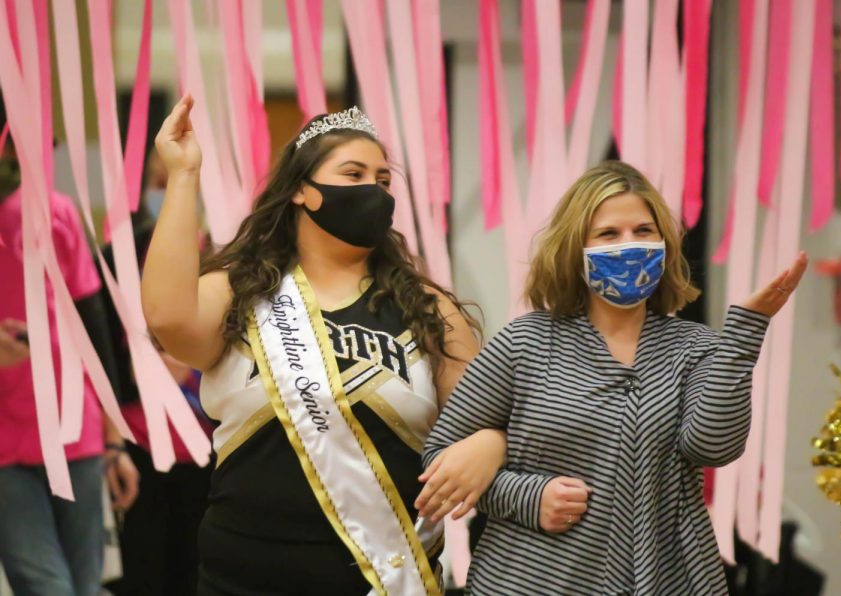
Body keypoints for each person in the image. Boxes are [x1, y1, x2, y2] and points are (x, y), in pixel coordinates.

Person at [141, 95, 506, 595]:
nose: (373, 191)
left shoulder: (429, 308)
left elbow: (484, 421)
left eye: (382, 181)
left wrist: (492, 442)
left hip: (384, 577)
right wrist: (183, 176)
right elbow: (167, 319)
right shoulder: (238, 289)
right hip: (243, 578)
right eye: (353, 175)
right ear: (300, 192)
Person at [418, 160, 808, 595]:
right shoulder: (525, 343)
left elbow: (713, 447)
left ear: (664, 244)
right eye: (608, 234)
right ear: (575, 249)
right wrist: (529, 497)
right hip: (531, 581)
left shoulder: (695, 347)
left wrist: (744, 332)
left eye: (643, 231)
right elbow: (439, 458)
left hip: (670, 580)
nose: (629, 246)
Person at [0, 138, 139, 596]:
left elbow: (92, 323)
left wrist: (115, 441)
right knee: (46, 585)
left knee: (84, 585)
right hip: (5, 448)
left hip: (73, 430)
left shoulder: (52, 211)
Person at [101, 149, 214, 596]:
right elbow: (100, 353)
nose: (163, 195)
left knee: (196, 575)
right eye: (156, 183)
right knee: (142, 575)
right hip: (139, 443)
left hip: (208, 448)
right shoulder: (118, 257)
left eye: (175, 184)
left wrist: (192, 368)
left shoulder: (226, 258)